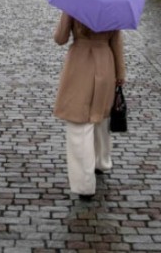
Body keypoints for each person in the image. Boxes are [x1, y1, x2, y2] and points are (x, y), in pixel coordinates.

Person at [53, 12, 125, 201]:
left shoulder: (74, 4)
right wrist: (120, 73)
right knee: (100, 117)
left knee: (79, 125)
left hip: (80, 63)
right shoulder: (112, 5)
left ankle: (85, 185)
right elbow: (116, 42)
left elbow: (60, 39)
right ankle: (101, 162)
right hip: (105, 62)